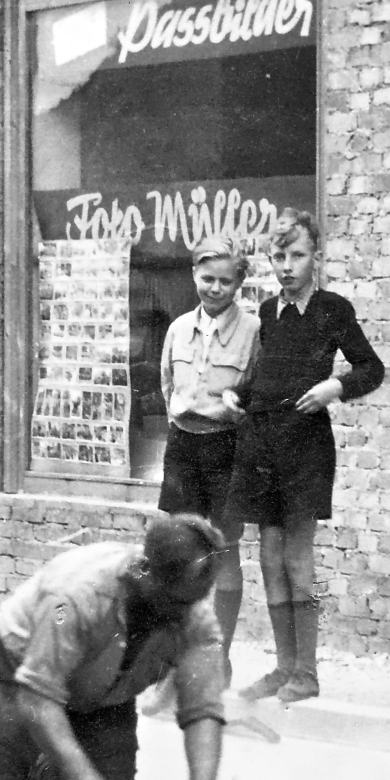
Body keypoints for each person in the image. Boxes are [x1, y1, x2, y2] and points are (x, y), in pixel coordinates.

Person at [0, 514, 244, 780]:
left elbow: (203, 709)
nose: (183, 615)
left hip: (101, 696)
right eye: (174, 602)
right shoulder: (74, 596)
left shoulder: (193, 617)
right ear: (144, 571)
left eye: (194, 601)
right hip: (20, 679)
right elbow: (37, 697)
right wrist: (82, 776)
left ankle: (36, 764)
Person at [224, 209, 385, 703]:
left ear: (317, 256)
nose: (287, 266)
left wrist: (334, 387)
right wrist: (237, 395)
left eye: (297, 255)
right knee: (269, 558)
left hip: (305, 447)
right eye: (279, 256)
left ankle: (308, 672)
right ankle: (283, 668)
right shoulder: (268, 312)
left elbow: (371, 368)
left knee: (297, 558)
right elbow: (267, 379)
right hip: (262, 445)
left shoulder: (332, 309)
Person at [158, 237, 261, 665]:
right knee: (180, 550)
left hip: (226, 447)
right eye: (207, 278)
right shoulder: (178, 329)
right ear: (193, 276)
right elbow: (167, 385)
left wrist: (234, 413)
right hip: (184, 445)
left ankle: (219, 655)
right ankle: (182, 653)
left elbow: (257, 391)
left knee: (224, 549)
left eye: (225, 281)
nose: (215, 288)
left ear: (239, 283)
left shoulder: (253, 330)